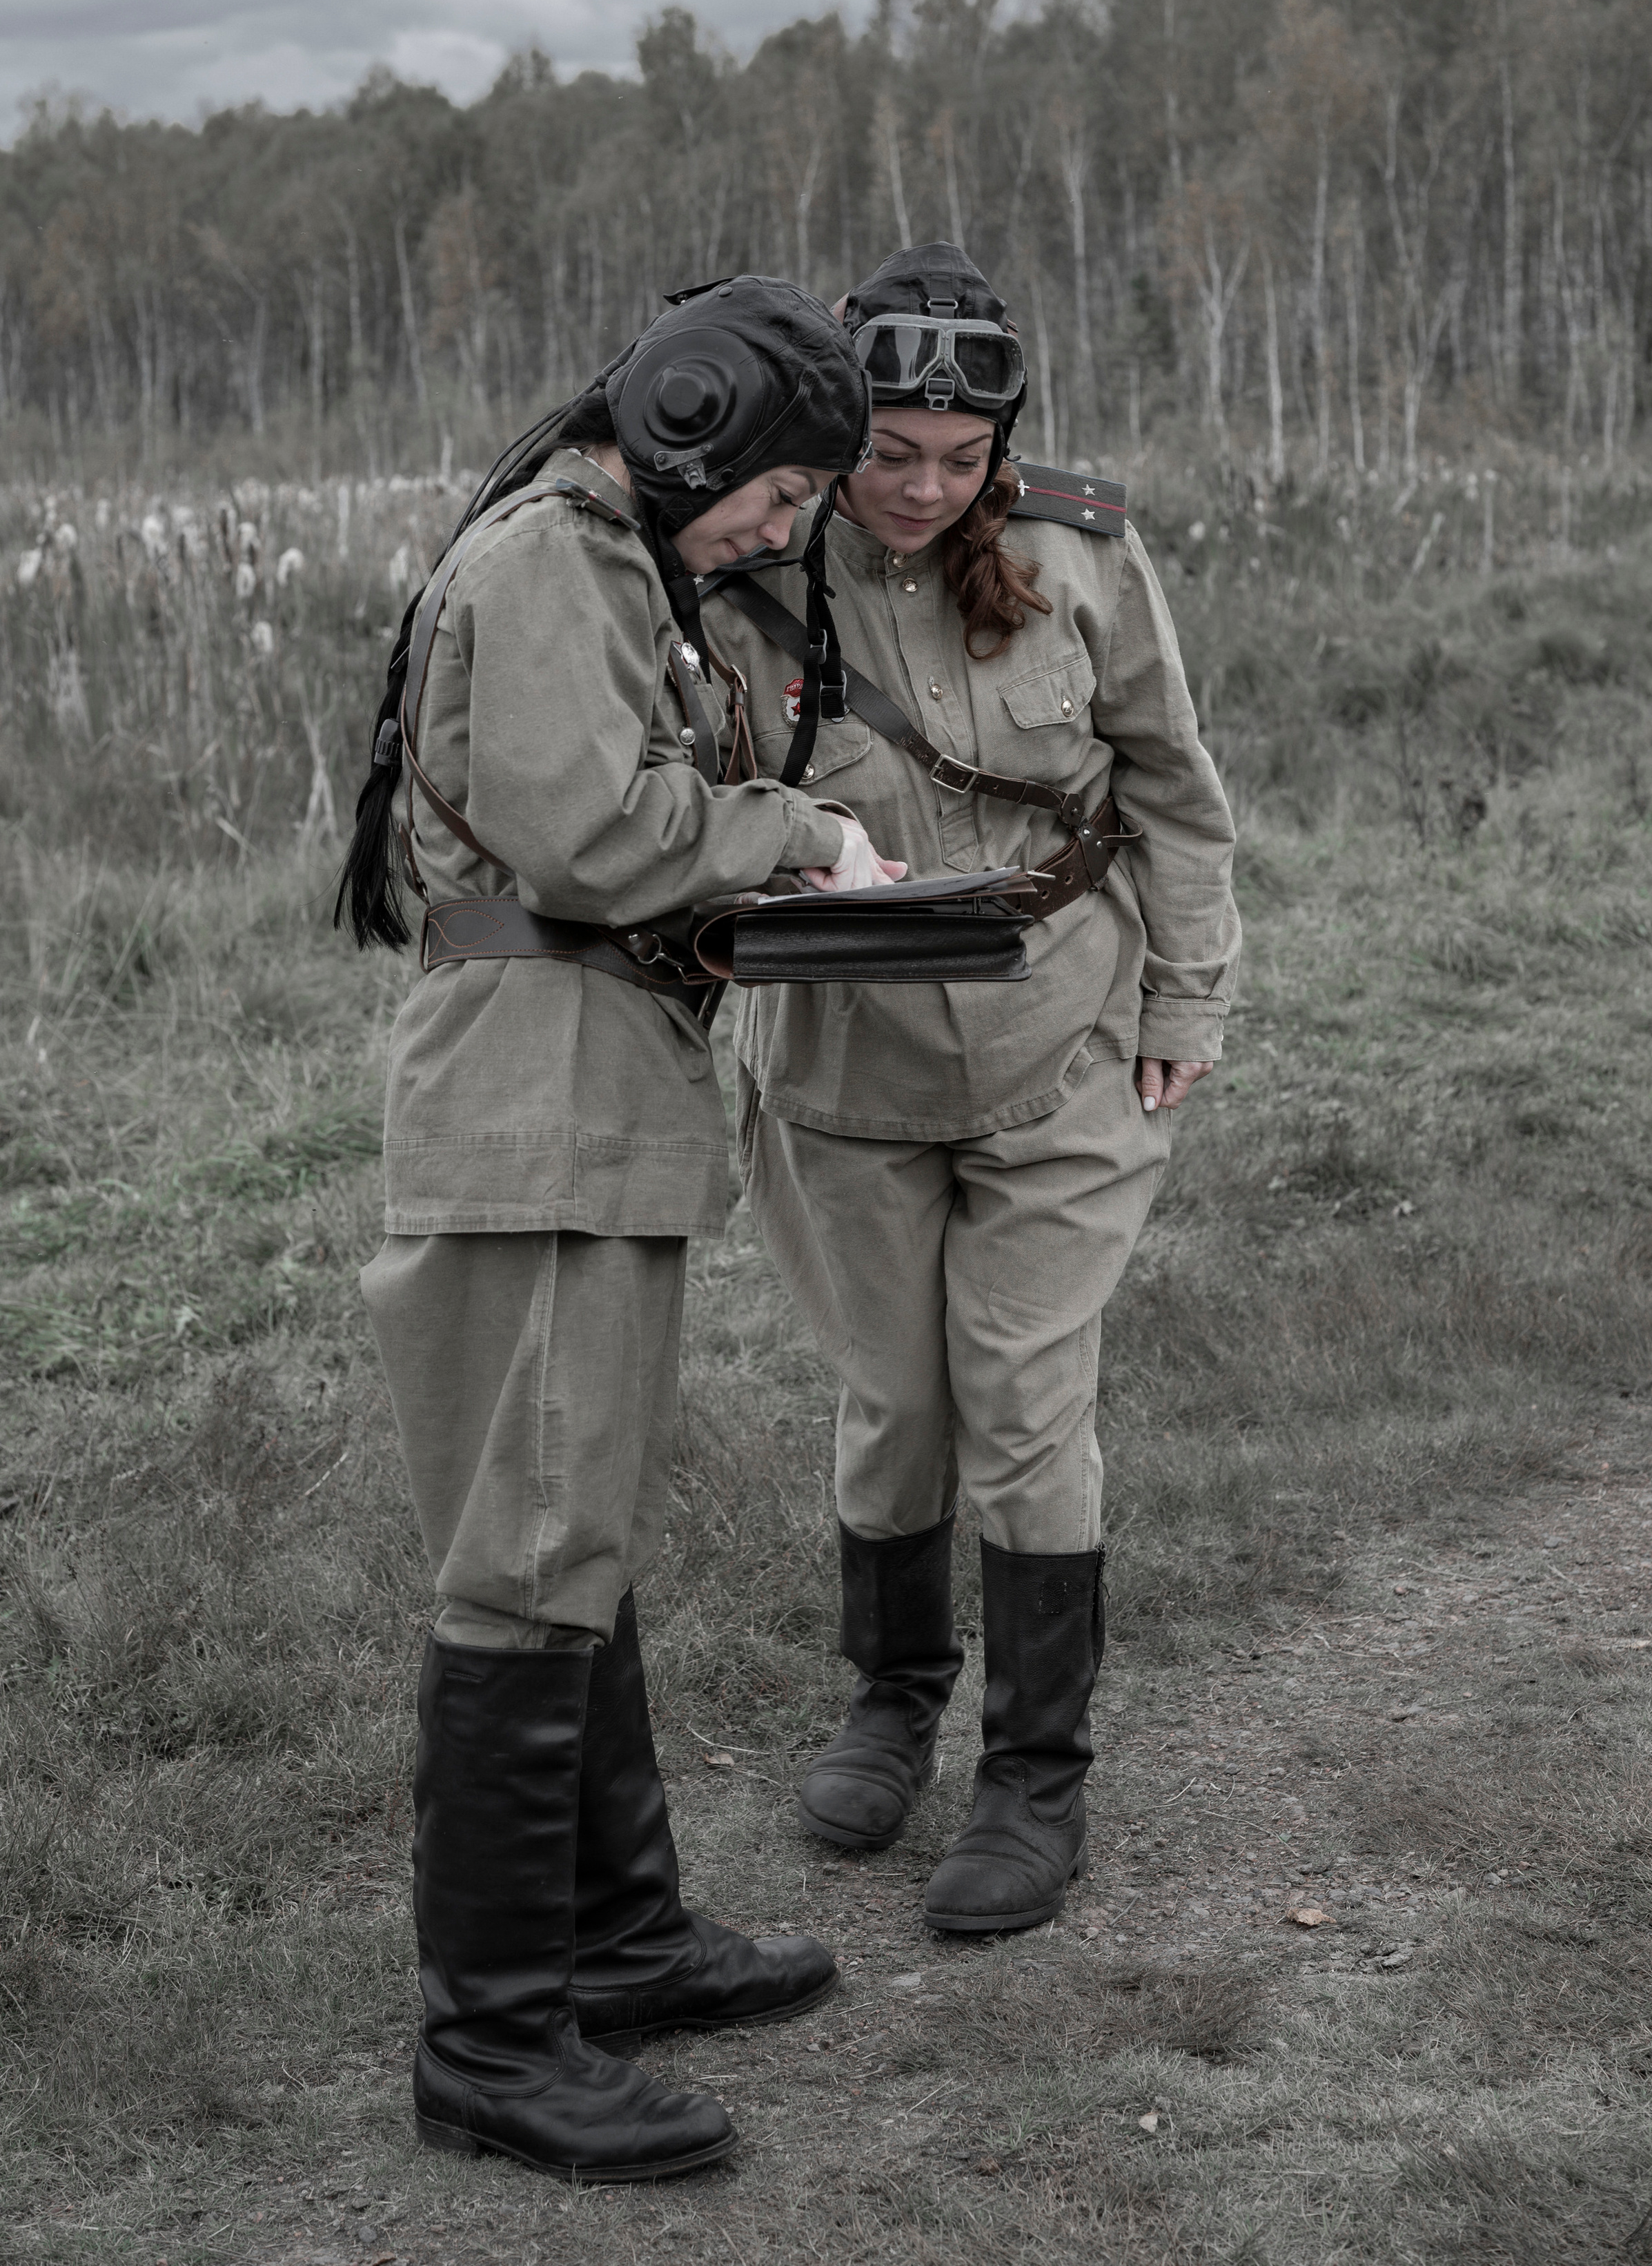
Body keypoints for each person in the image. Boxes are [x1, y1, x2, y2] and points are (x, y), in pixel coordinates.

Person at [336, 277, 900, 2182]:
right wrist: (801, 840)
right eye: (777, 495)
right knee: (527, 1556)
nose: (777, 531)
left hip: (582, 1085)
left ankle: (617, 1939)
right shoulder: (552, 561)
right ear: (690, 425)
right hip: (534, 1096)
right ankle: (491, 2043)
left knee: (574, 1520)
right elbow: (597, 836)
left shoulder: (609, 565)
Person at [698, 243, 1240, 1936]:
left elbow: (1171, 782)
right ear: (835, 424)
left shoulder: (1079, 550)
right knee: (894, 1401)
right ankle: (890, 1698)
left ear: (1004, 443)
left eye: (961, 457)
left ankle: (1031, 1774)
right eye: (890, 453)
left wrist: (1188, 988)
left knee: (1020, 1397)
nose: (926, 489)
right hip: (844, 1068)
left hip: (1060, 1048)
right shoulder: (747, 568)